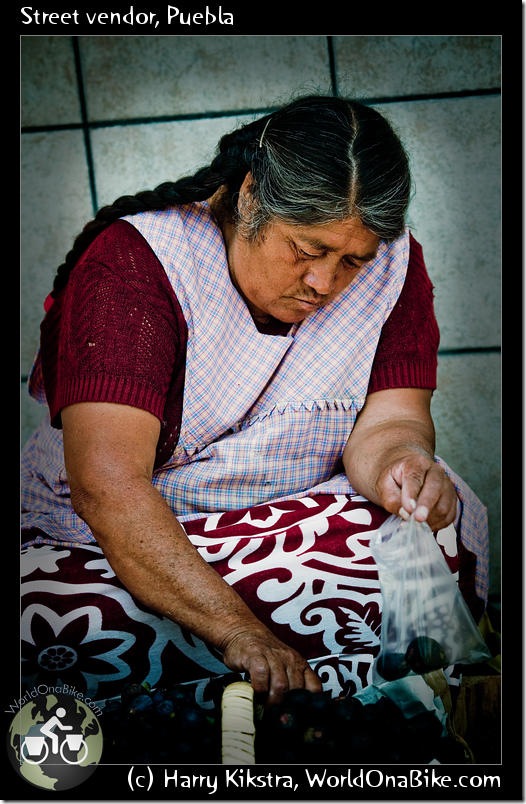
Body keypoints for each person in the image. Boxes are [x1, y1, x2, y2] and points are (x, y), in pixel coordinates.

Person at [21, 94, 489, 705]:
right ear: (247, 199)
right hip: (125, 536)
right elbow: (107, 487)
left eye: (352, 260)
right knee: (57, 615)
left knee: (435, 535)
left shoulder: (393, 267)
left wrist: (404, 467)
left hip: (291, 518)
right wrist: (238, 631)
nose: (325, 284)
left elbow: (393, 421)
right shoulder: (136, 262)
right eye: (307, 250)